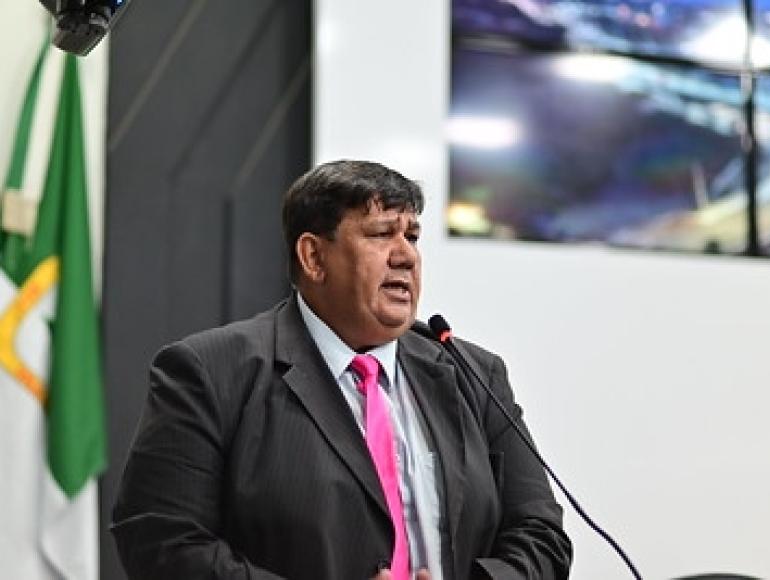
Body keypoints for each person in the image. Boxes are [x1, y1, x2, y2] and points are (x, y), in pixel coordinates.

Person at [112, 160, 572, 579]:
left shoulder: (474, 374)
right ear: (314, 257)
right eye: (381, 234)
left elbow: (541, 535)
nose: (406, 256)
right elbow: (162, 544)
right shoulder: (211, 372)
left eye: (412, 237)